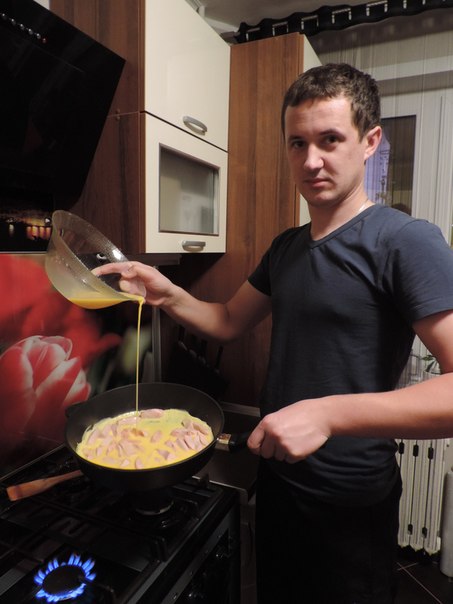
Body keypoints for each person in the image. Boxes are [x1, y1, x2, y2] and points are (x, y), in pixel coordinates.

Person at [94, 63, 453, 603]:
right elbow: (227, 321)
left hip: (348, 499)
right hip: (279, 484)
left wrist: (327, 414)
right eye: (297, 143)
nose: (311, 161)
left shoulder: (405, 241)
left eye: (330, 140)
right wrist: (166, 293)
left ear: (370, 141)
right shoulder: (286, 248)